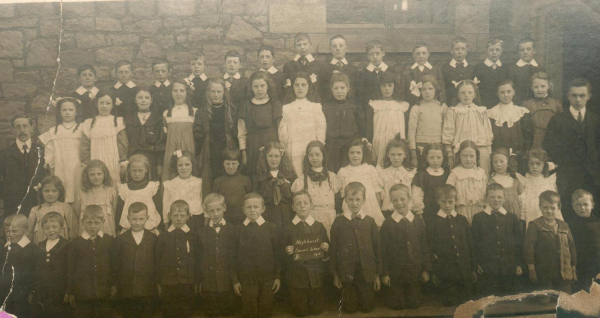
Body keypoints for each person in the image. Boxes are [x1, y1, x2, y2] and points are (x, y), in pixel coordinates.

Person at [543, 77, 600, 221]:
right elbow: (549, 146)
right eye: (574, 95)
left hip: (592, 176)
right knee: (568, 215)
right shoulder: (558, 120)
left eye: (582, 95)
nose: (578, 100)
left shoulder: (595, 120)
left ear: (589, 96)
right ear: (568, 96)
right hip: (568, 177)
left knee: (593, 215)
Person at [330, 182, 382, 313]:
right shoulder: (338, 222)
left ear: (364, 200)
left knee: (367, 308)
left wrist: (377, 275)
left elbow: (378, 250)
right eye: (351, 199)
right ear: (345, 200)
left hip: (366, 272)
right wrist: (335, 274)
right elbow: (333, 250)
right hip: (347, 272)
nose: (354, 203)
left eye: (358, 199)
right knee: (350, 309)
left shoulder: (370, 221)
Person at [230, 193, 282, 318]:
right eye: (248, 207)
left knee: (266, 311)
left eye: (256, 207)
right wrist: (235, 280)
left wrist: (277, 277)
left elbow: (277, 255)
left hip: (267, 279)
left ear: (263, 209)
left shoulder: (271, 228)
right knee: (249, 312)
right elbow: (232, 257)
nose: (252, 210)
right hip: (246, 279)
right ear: (243, 210)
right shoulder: (238, 230)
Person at [380, 184, 430, 309]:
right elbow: (383, 251)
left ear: (409, 198)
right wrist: (385, 274)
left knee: (415, 304)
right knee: (397, 305)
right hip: (396, 274)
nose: (399, 203)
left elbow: (424, 247)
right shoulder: (387, 224)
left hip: (415, 272)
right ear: (391, 201)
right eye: (395, 200)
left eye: (402, 199)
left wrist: (425, 270)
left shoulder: (417, 221)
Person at [427, 184, 476, 306]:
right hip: (445, 273)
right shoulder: (432, 222)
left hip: (464, 271)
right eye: (443, 202)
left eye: (450, 201)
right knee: (450, 303)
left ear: (456, 201)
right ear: (438, 201)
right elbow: (429, 248)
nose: (447, 205)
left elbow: (470, 246)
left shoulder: (462, 219)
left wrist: (473, 268)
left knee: (467, 302)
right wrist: (433, 272)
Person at [471, 183, 523, 297]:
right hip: (488, 268)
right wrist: (476, 263)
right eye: (492, 197)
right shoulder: (478, 218)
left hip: (508, 267)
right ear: (486, 198)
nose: (496, 200)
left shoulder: (512, 217)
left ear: (504, 198)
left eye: (499, 197)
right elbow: (474, 243)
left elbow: (518, 243)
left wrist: (519, 263)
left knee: (508, 299)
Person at [284, 190, 330, 316]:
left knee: (317, 311)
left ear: (311, 205)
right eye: (298, 203)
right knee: (300, 312)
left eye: (305, 203)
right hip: (297, 276)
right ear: (293, 207)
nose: (302, 206)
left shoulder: (319, 226)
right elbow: (281, 251)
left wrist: (325, 248)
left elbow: (326, 249)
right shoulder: (288, 228)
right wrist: (287, 250)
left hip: (315, 275)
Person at [66, 205, 115, 318]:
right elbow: (70, 269)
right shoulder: (75, 244)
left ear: (103, 221)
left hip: (104, 292)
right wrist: (71, 292)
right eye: (89, 222)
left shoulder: (109, 240)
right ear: (82, 221)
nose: (92, 226)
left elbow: (113, 265)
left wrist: (113, 284)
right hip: (83, 293)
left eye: (96, 223)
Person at [524, 191, 577, 294]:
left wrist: (573, 269)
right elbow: (529, 249)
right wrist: (532, 270)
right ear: (540, 207)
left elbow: (572, 247)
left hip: (563, 273)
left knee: (565, 300)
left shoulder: (564, 226)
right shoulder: (534, 226)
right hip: (543, 273)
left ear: (558, 207)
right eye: (545, 207)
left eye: (552, 208)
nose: (549, 211)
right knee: (545, 301)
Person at [113, 202, 158, 318]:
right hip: (127, 290)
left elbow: (157, 263)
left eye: (141, 219)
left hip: (147, 289)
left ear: (147, 218)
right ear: (128, 218)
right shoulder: (120, 240)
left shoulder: (153, 239)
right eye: (134, 219)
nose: (137, 222)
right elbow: (116, 265)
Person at [155, 200, 198, 318]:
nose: (179, 219)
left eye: (182, 215)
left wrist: (195, 281)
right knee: (169, 312)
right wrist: (159, 282)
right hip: (168, 283)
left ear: (188, 216)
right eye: (175, 215)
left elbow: (197, 259)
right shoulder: (163, 236)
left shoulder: (193, 235)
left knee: (186, 312)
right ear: (169, 216)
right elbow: (157, 260)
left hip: (187, 282)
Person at [194, 77, 238, 192]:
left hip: (227, 148)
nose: (216, 95)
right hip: (209, 150)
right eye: (212, 91)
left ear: (224, 93)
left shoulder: (231, 111)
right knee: (211, 177)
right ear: (208, 93)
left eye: (219, 92)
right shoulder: (202, 112)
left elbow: (236, 133)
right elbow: (197, 134)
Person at [237, 71, 282, 181]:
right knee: (255, 173)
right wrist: (244, 152)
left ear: (268, 86)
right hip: (253, 145)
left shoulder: (274, 103)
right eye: (256, 86)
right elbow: (242, 132)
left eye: (262, 86)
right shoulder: (246, 105)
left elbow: (281, 129)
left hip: (271, 143)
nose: (259, 89)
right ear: (251, 88)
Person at [291, 140, 342, 237]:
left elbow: (338, 198)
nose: (314, 158)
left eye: (317, 154)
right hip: (311, 217)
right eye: (311, 155)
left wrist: (338, 215)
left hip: (329, 217)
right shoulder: (302, 180)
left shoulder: (332, 177)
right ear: (307, 157)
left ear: (323, 156)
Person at [198, 193, 237, 317]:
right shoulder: (201, 232)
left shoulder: (233, 230)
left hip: (227, 282)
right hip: (209, 282)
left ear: (224, 208)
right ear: (206, 211)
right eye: (211, 211)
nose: (215, 214)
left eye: (218, 210)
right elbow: (199, 258)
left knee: (228, 312)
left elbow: (235, 257)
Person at [442, 80, 493, 173]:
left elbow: (488, 133)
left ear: (474, 94)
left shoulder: (481, 111)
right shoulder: (453, 111)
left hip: (481, 150)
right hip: (461, 151)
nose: (466, 95)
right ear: (458, 95)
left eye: (470, 92)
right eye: (462, 92)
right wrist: (449, 154)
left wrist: (488, 153)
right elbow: (448, 134)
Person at [0, 114, 45, 219]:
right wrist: (7, 194)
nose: (22, 130)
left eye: (25, 126)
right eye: (18, 127)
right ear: (13, 131)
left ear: (32, 129)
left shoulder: (42, 152)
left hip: (37, 202)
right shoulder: (4, 154)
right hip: (13, 204)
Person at [80, 89, 129, 186]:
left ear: (113, 105)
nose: (104, 106)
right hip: (96, 157)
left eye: (108, 103)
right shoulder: (89, 123)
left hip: (113, 159)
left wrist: (123, 159)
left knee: (113, 181)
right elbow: (85, 145)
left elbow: (122, 143)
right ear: (96, 104)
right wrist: (86, 162)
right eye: (101, 103)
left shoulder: (117, 121)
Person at [40, 97, 83, 203]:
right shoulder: (53, 131)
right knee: (63, 195)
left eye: (71, 110)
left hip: (78, 168)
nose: (67, 113)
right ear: (59, 112)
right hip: (61, 168)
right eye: (64, 110)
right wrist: (53, 176)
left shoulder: (82, 128)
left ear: (76, 112)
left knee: (78, 194)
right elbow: (50, 155)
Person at [322, 72, 364, 172]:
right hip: (331, 147)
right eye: (336, 88)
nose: (339, 91)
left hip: (349, 147)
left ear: (348, 88)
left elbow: (360, 128)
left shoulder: (354, 107)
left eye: (342, 88)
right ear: (331, 89)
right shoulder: (326, 108)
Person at [337, 139, 385, 227]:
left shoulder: (370, 169)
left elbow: (377, 192)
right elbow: (341, 195)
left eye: (358, 153)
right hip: (352, 206)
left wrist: (377, 209)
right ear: (347, 154)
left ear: (363, 154)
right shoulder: (343, 171)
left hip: (370, 206)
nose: (355, 156)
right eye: (352, 153)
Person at [31, 212, 70, 318]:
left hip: (59, 290)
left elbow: (69, 270)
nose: (51, 230)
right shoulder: (40, 245)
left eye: (54, 227)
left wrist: (68, 291)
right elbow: (37, 269)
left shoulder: (67, 245)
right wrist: (34, 289)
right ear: (42, 229)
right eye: (47, 227)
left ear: (62, 227)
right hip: (42, 290)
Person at [369, 71, 410, 166]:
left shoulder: (401, 105)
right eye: (384, 86)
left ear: (394, 86)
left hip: (396, 140)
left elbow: (406, 126)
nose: (387, 89)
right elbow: (370, 127)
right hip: (379, 141)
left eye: (390, 85)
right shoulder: (375, 105)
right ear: (379, 87)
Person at [124, 86, 165, 181]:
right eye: (140, 98)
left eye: (147, 98)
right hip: (132, 159)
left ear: (151, 100)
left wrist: (159, 164)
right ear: (135, 100)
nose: (143, 101)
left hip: (152, 159)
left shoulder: (158, 120)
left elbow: (161, 144)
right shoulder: (128, 120)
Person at [407, 74, 448, 167]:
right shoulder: (416, 108)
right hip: (420, 146)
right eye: (424, 89)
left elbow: (447, 130)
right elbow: (411, 132)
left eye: (430, 88)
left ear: (436, 90)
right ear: (419, 91)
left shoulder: (442, 107)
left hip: (439, 146)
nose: (427, 92)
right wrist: (413, 155)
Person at [0, 214, 37, 318]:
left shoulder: (32, 250)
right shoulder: (4, 249)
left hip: (23, 295)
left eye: (14, 231)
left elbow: (35, 273)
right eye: (7, 231)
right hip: (5, 294)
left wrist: (32, 291)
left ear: (25, 229)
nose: (10, 234)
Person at [255, 142, 296, 236]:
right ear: (265, 157)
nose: (273, 159)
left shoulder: (290, 175)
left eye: (277, 156)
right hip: (268, 215)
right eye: (270, 156)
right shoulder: (259, 177)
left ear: (282, 157)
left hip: (287, 215)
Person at [116, 154, 162, 235]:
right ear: (129, 170)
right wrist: (118, 229)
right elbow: (119, 210)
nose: (137, 174)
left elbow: (159, 207)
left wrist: (160, 228)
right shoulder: (124, 188)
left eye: (140, 170)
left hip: (149, 228)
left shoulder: (152, 186)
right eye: (134, 170)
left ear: (146, 170)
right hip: (129, 229)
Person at [162, 79, 197, 182]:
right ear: (171, 93)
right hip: (171, 150)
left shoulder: (194, 112)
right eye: (175, 91)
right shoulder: (167, 113)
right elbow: (165, 136)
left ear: (187, 92)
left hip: (189, 148)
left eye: (182, 91)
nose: (178, 94)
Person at [487, 79, 532, 158]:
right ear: (497, 94)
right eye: (502, 92)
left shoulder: (521, 112)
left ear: (513, 92)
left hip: (519, 154)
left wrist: (526, 151)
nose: (506, 95)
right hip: (498, 156)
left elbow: (527, 135)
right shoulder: (491, 113)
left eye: (509, 91)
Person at [358, 40, 401, 123]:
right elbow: (361, 96)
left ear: (383, 53)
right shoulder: (363, 74)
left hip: (388, 110)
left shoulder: (391, 71)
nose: (375, 57)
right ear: (367, 56)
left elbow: (397, 91)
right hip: (370, 112)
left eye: (377, 53)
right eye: (371, 54)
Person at [446, 140, 488, 224]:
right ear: (459, 156)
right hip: (461, 212)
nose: (468, 159)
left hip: (479, 211)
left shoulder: (481, 173)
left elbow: (487, 193)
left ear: (477, 156)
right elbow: (448, 194)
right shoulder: (455, 173)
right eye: (465, 156)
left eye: (472, 156)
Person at [27, 175, 78, 243]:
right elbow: (29, 232)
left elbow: (73, 231)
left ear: (59, 192)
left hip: (61, 247)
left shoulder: (66, 208)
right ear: (42, 192)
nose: (50, 194)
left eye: (54, 191)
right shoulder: (35, 210)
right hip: (40, 248)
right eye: (47, 191)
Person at [517, 149, 560, 228]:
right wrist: (522, 218)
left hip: (549, 213)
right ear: (527, 164)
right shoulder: (524, 181)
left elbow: (556, 201)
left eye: (538, 164)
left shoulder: (549, 180)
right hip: (531, 214)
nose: (534, 167)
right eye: (531, 164)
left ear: (544, 165)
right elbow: (522, 201)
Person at [162, 150, 204, 231]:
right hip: (176, 221)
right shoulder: (170, 184)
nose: (184, 168)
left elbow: (203, 203)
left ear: (192, 165)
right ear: (176, 167)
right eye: (180, 165)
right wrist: (166, 224)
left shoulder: (199, 182)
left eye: (187, 164)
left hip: (196, 220)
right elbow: (165, 206)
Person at [74, 160, 118, 236]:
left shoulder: (111, 191)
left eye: (99, 174)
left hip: (106, 229)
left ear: (105, 174)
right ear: (87, 176)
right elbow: (77, 212)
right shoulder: (82, 193)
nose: (96, 177)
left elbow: (116, 209)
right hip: (86, 229)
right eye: (92, 174)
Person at [568, 189, 600, 292]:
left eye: (585, 204)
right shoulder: (570, 225)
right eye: (578, 205)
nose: (582, 208)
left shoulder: (597, 223)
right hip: (581, 267)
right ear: (573, 206)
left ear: (592, 205)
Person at [521, 72, 563, 149]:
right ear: (531, 87)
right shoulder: (526, 105)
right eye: (536, 87)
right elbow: (525, 129)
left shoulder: (556, 104)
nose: (539, 90)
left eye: (543, 86)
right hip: (534, 142)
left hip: (552, 141)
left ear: (549, 86)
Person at [377, 136, 416, 219]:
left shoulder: (411, 172)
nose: (396, 158)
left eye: (399, 154)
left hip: (407, 211)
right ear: (388, 154)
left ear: (405, 155)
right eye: (393, 154)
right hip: (388, 211)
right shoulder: (382, 172)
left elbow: (414, 193)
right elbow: (380, 194)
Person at [411, 143, 450, 224]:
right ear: (426, 158)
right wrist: (419, 212)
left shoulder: (448, 174)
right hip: (428, 214)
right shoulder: (421, 175)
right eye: (431, 157)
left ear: (443, 157)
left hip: (446, 211)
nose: (435, 161)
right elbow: (417, 195)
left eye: (439, 157)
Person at [212, 148, 252, 225]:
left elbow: (249, 200)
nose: (230, 167)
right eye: (227, 163)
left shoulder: (245, 180)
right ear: (223, 163)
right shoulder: (218, 181)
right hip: (224, 220)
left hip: (242, 219)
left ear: (239, 163)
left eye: (233, 163)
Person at [283, 33, 324, 103]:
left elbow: (321, 87)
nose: (302, 47)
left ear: (310, 44)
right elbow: (287, 89)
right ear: (295, 47)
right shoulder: (288, 66)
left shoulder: (319, 65)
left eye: (305, 44)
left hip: (314, 102)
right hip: (294, 102)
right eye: (299, 45)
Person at [319, 35, 360, 103]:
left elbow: (358, 92)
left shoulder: (353, 70)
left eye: (341, 46)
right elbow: (322, 92)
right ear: (330, 49)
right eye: (334, 46)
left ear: (346, 48)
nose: (338, 49)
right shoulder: (324, 69)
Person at [442, 36, 478, 107]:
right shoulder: (445, 68)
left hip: (468, 104)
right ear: (451, 51)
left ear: (467, 51)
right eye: (457, 49)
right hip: (451, 104)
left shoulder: (472, 68)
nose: (460, 52)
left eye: (463, 49)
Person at [508, 38, 544, 105]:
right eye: (522, 50)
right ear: (518, 52)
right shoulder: (513, 69)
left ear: (534, 51)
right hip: (518, 104)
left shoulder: (540, 68)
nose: (525, 52)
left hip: (537, 105)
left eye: (528, 49)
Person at [489, 147, 524, 216]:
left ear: (508, 163)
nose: (498, 164)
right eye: (495, 161)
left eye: (501, 161)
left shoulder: (516, 181)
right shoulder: (491, 182)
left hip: (516, 216)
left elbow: (522, 201)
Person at [474, 39, 508, 108]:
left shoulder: (505, 68)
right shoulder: (478, 68)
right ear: (486, 51)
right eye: (491, 50)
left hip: (502, 105)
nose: (494, 52)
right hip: (485, 105)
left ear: (501, 51)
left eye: (497, 50)